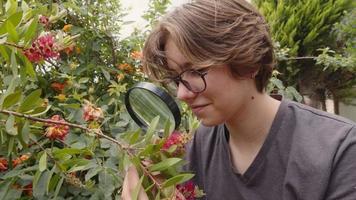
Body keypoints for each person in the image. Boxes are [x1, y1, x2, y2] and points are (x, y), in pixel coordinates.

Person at [122, 0, 356, 199]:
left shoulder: (340, 150)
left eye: (195, 70)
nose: (182, 94)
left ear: (248, 63)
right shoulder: (198, 147)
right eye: (177, 78)